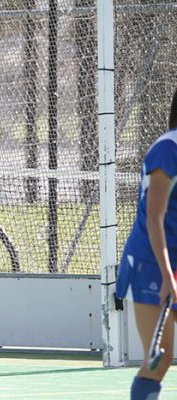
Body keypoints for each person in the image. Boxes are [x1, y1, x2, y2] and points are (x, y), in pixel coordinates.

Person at [116, 88, 177, 399]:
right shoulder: (168, 149)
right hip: (152, 263)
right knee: (160, 357)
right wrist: (168, 276)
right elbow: (155, 217)